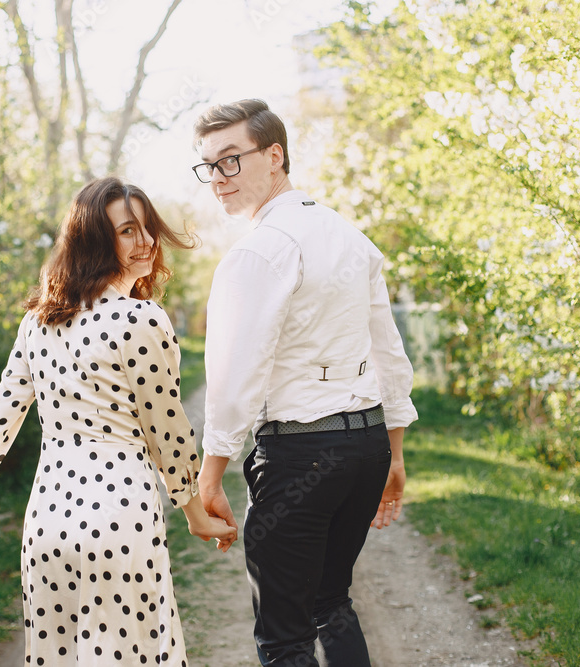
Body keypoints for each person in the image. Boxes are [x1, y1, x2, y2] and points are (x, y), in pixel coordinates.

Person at [0, 177, 237, 666]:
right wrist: (195, 514)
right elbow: (168, 433)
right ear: (95, 241)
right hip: (119, 517)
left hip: (48, 522)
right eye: (128, 231)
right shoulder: (141, 319)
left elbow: (1, 411)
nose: (147, 242)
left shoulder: (38, 322)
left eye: (147, 228)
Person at [191, 99, 418, 666]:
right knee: (331, 602)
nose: (218, 179)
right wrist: (392, 453)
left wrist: (211, 473)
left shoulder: (259, 251)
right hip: (363, 448)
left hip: (300, 453)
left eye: (231, 160)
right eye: (208, 166)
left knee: (284, 635)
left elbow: (234, 376)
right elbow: (388, 352)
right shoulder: (350, 235)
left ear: (275, 156)